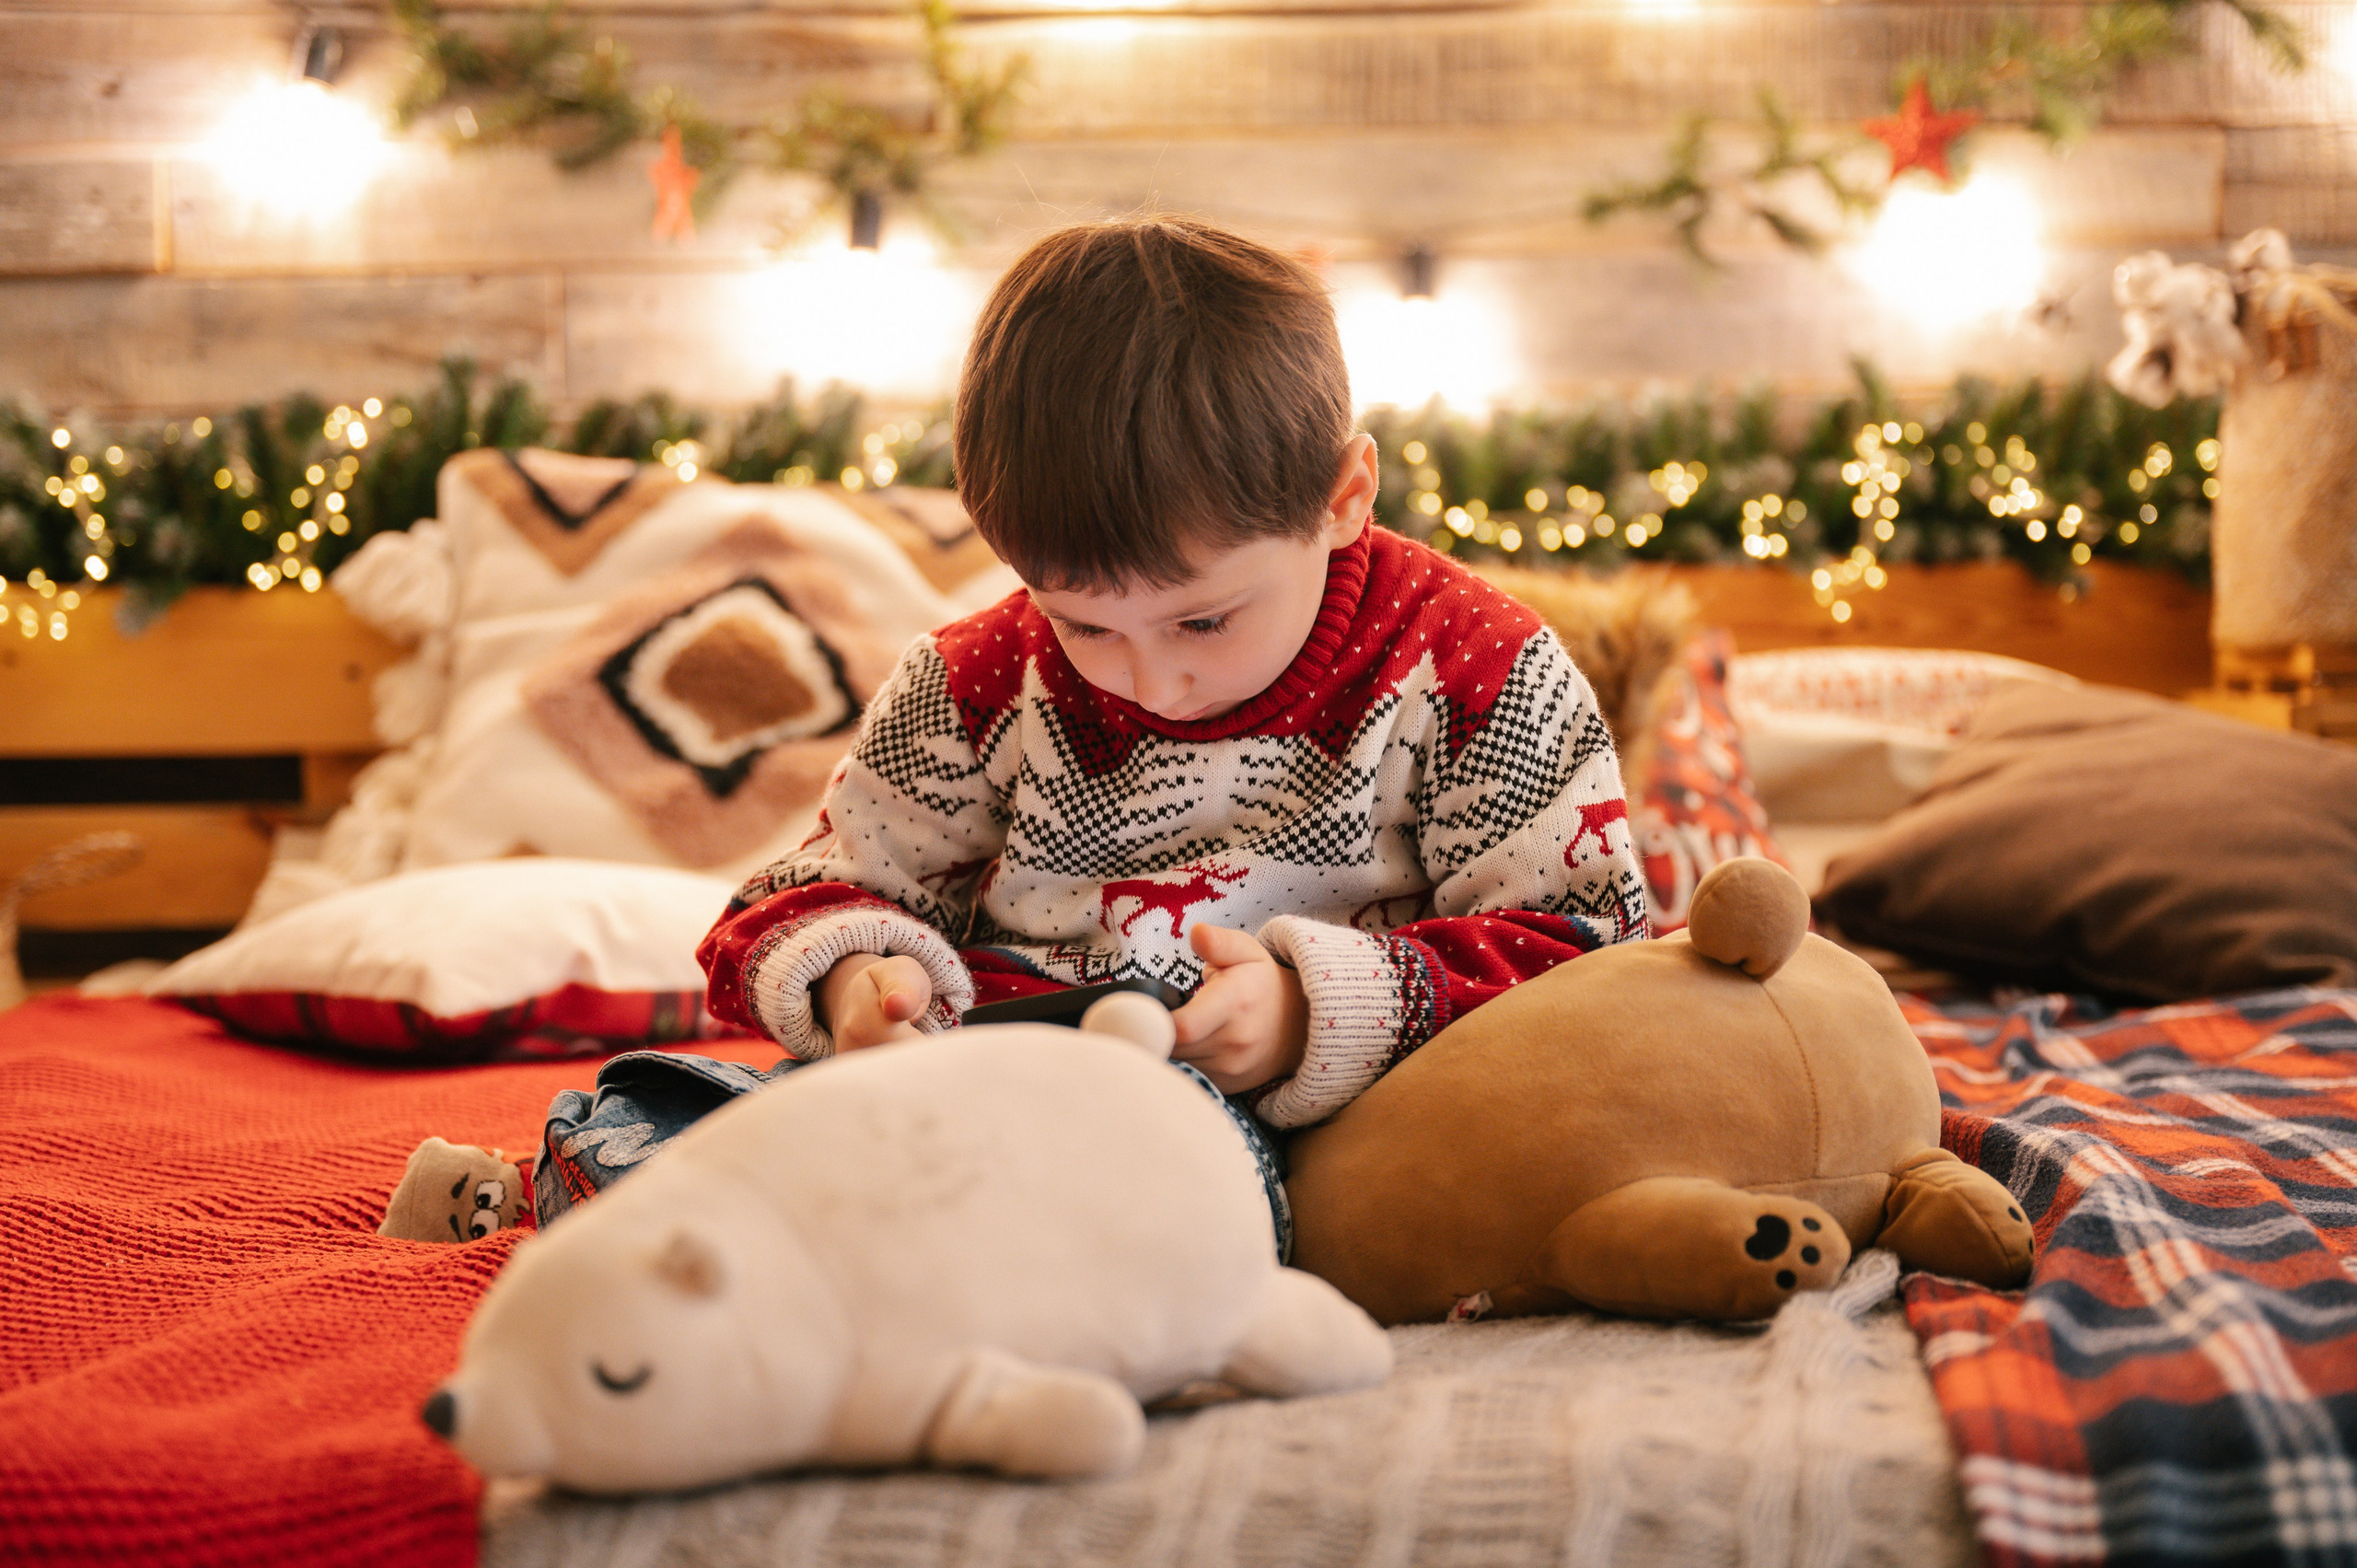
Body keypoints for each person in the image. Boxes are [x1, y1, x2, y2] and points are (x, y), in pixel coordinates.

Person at [388, 215, 1646, 1249]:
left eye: (1204, 619)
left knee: (1138, 1217)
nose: (1155, 678)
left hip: (1262, 1129)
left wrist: (1317, 1015)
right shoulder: (980, 679)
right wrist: (859, 980)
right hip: (968, 1083)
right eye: (1088, 627)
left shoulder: (1477, 665)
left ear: (1345, 497)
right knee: (653, 1113)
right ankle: (584, 1207)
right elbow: (793, 899)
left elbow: (1593, 950)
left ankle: (821, 1261)